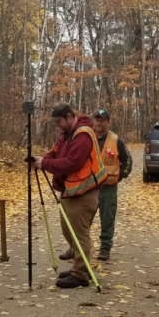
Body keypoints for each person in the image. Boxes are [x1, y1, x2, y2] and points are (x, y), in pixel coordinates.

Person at [32, 102, 107, 288]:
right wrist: (41, 160)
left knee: (80, 233)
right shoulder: (66, 135)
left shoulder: (83, 135)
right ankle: (79, 267)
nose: (57, 124)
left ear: (69, 116)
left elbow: (72, 162)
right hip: (71, 189)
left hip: (85, 191)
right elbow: (54, 154)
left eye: (59, 121)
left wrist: (46, 165)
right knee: (68, 230)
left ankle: (81, 274)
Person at [59, 109, 132, 261]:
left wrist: (121, 175)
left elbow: (127, 161)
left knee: (107, 219)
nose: (98, 122)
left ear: (108, 122)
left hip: (108, 188)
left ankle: (105, 248)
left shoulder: (116, 140)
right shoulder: (86, 136)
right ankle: (75, 248)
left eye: (102, 120)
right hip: (88, 186)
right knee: (82, 221)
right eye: (97, 119)